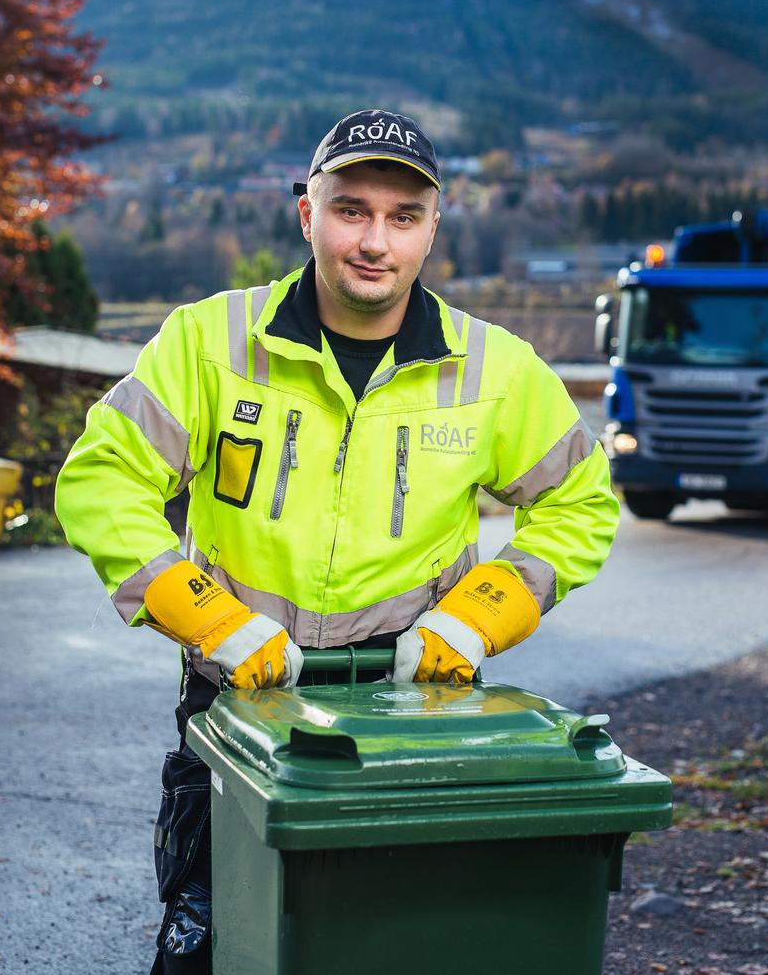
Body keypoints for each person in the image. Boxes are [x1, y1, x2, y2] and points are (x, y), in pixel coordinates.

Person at [55, 108, 621, 972]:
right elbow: (102, 480)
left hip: (415, 714)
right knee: (210, 948)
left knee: (383, 944)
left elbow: (580, 503)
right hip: (235, 704)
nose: (375, 241)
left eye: (403, 217)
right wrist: (211, 619)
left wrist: (476, 619)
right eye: (352, 208)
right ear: (306, 213)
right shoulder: (212, 343)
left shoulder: (494, 370)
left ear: (433, 229)